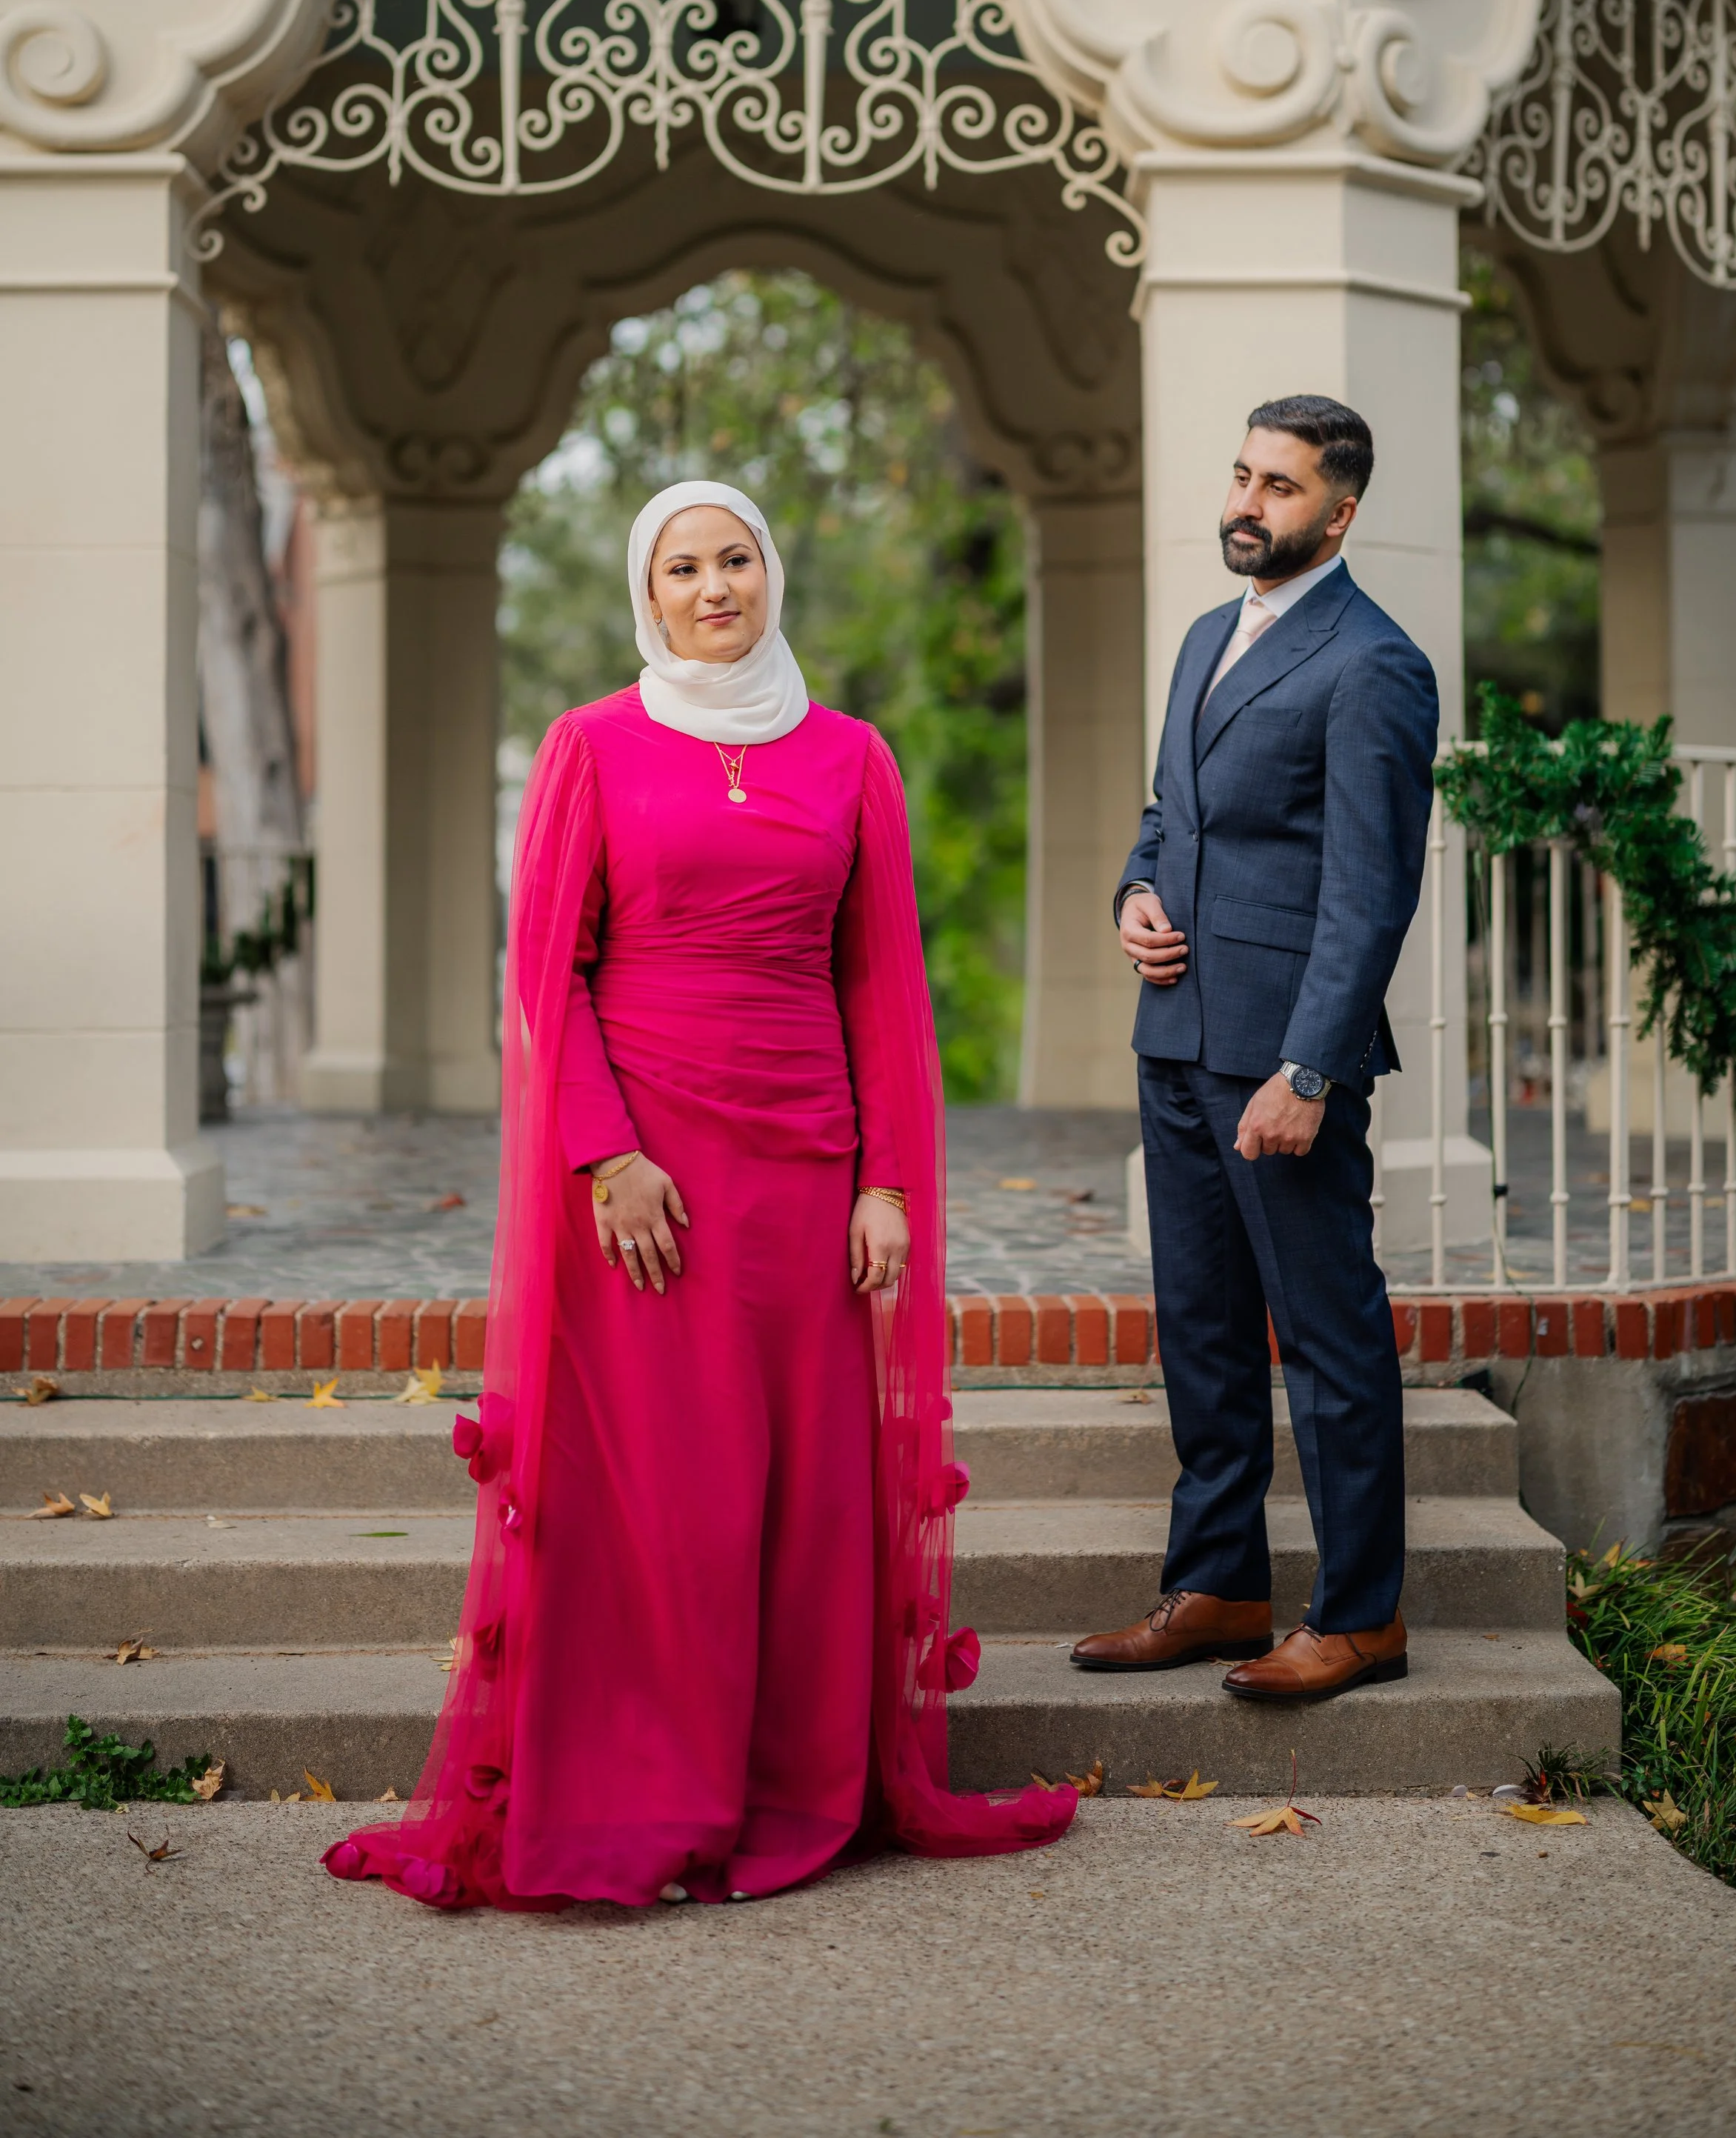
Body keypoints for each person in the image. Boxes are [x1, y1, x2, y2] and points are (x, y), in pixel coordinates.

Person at [326, 480, 1074, 1909]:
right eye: (686, 566)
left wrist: (889, 1185)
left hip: (805, 1177)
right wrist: (606, 1156)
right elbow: (550, 978)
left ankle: (789, 1791)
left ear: (772, 574)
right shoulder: (591, 747)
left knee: (793, 1495)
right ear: (647, 591)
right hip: (645, 1179)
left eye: (737, 558)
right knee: (667, 1494)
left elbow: (881, 987)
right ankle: (644, 1789)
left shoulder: (853, 757)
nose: (715, 585)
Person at [1072, 398, 1438, 1704]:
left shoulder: (1374, 662)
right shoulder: (1202, 639)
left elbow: (1369, 889)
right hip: (1174, 1034)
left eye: (1278, 487)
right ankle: (1220, 1581)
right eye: (1241, 475)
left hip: (1281, 1060)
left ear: (1336, 513)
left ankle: (1361, 1616)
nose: (1247, 502)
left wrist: (1310, 1069)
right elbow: (1171, 809)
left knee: (1328, 1332)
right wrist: (1133, 891)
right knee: (1205, 1328)